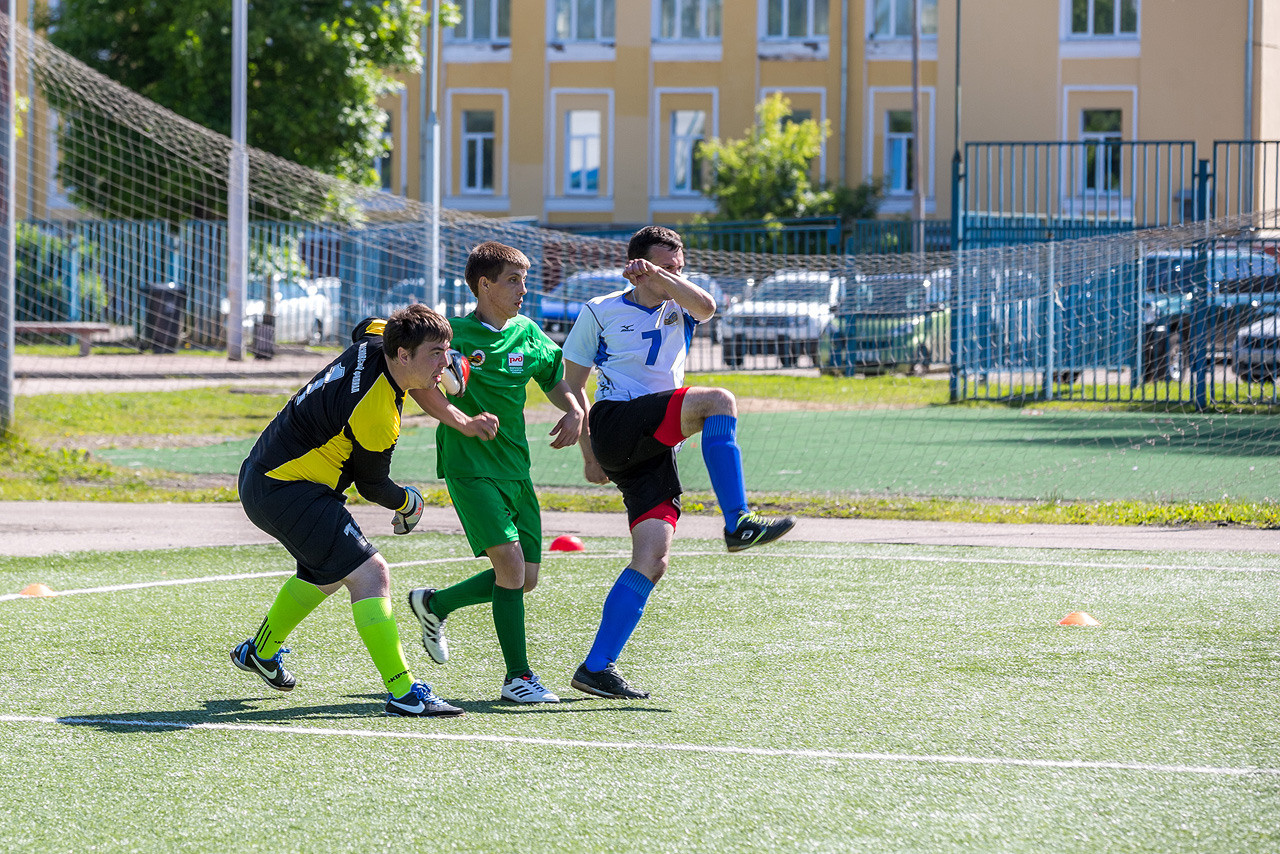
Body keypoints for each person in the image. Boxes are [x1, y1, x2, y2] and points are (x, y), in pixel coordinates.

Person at [562, 225, 796, 700]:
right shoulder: (600, 310)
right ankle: (738, 523)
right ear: (636, 266)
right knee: (718, 401)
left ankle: (596, 667)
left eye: (679, 266)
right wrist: (588, 451)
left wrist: (666, 281)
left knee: (653, 557)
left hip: (654, 444)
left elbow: (707, 307)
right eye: (664, 266)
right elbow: (573, 385)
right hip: (617, 423)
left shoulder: (681, 304)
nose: (674, 274)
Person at [231, 304, 464, 718]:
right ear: (403, 354)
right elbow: (371, 485)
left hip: (266, 476)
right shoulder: (377, 412)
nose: (444, 364)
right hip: (286, 489)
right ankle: (404, 693)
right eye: (435, 354)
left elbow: (364, 327)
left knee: (328, 571)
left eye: (447, 351)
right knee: (370, 573)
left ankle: (260, 653)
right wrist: (409, 502)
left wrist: (441, 357)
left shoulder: (380, 337)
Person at [407, 241, 583, 704]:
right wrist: (464, 421)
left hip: (516, 469)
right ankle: (518, 678)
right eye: (513, 280)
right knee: (508, 567)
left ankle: (434, 604)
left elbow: (554, 375)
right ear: (484, 285)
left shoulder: (526, 332)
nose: (524, 289)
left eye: (524, 279)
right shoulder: (452, 335)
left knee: (525, 578)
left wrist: (573, 409)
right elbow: (423, 389)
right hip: (470, 467)